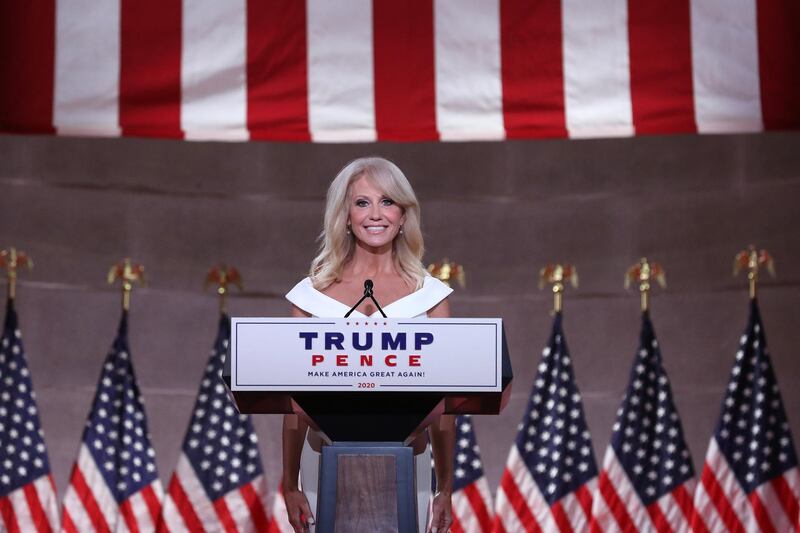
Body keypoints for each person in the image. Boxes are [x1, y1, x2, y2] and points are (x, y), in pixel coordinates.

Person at [282, 156, 455, 533]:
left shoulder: (430, 296)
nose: (376, 214)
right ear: (344, 215)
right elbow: (293, 401)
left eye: (388, 201)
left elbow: (445, 404)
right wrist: (289, 483)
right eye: (362, 202)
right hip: (322, 464)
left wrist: (445, 488)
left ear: (404, 215)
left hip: (407, 464)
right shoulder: (309, 297)